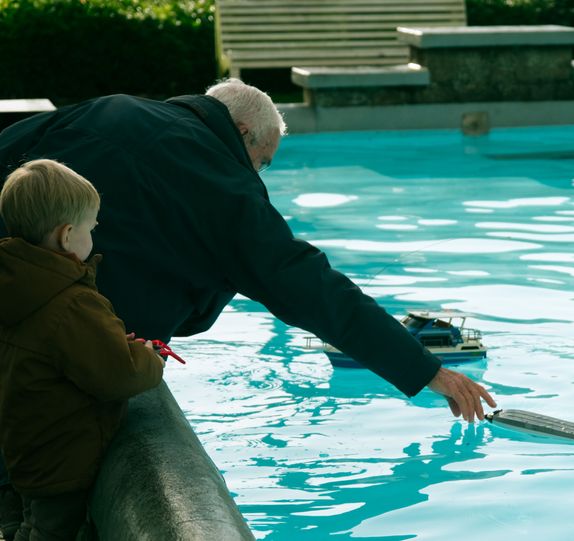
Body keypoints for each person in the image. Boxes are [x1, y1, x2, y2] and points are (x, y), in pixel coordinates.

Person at [0, 79, 496, 531]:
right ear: (239, 131)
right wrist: (425, 369)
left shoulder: (112, 107)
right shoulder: (217, 177)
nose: (257, 175)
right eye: (261, 160)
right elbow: (307, 284)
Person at [0, 159, 165, 540]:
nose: (95, 234)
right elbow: (120, 374)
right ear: (67, 235)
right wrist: (150, 358)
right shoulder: (70, 302)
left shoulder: (18, 284)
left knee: (32, 524)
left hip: (24, 450)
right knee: (53, 532)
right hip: (63, 460)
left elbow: (52, 352)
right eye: (92, 226)